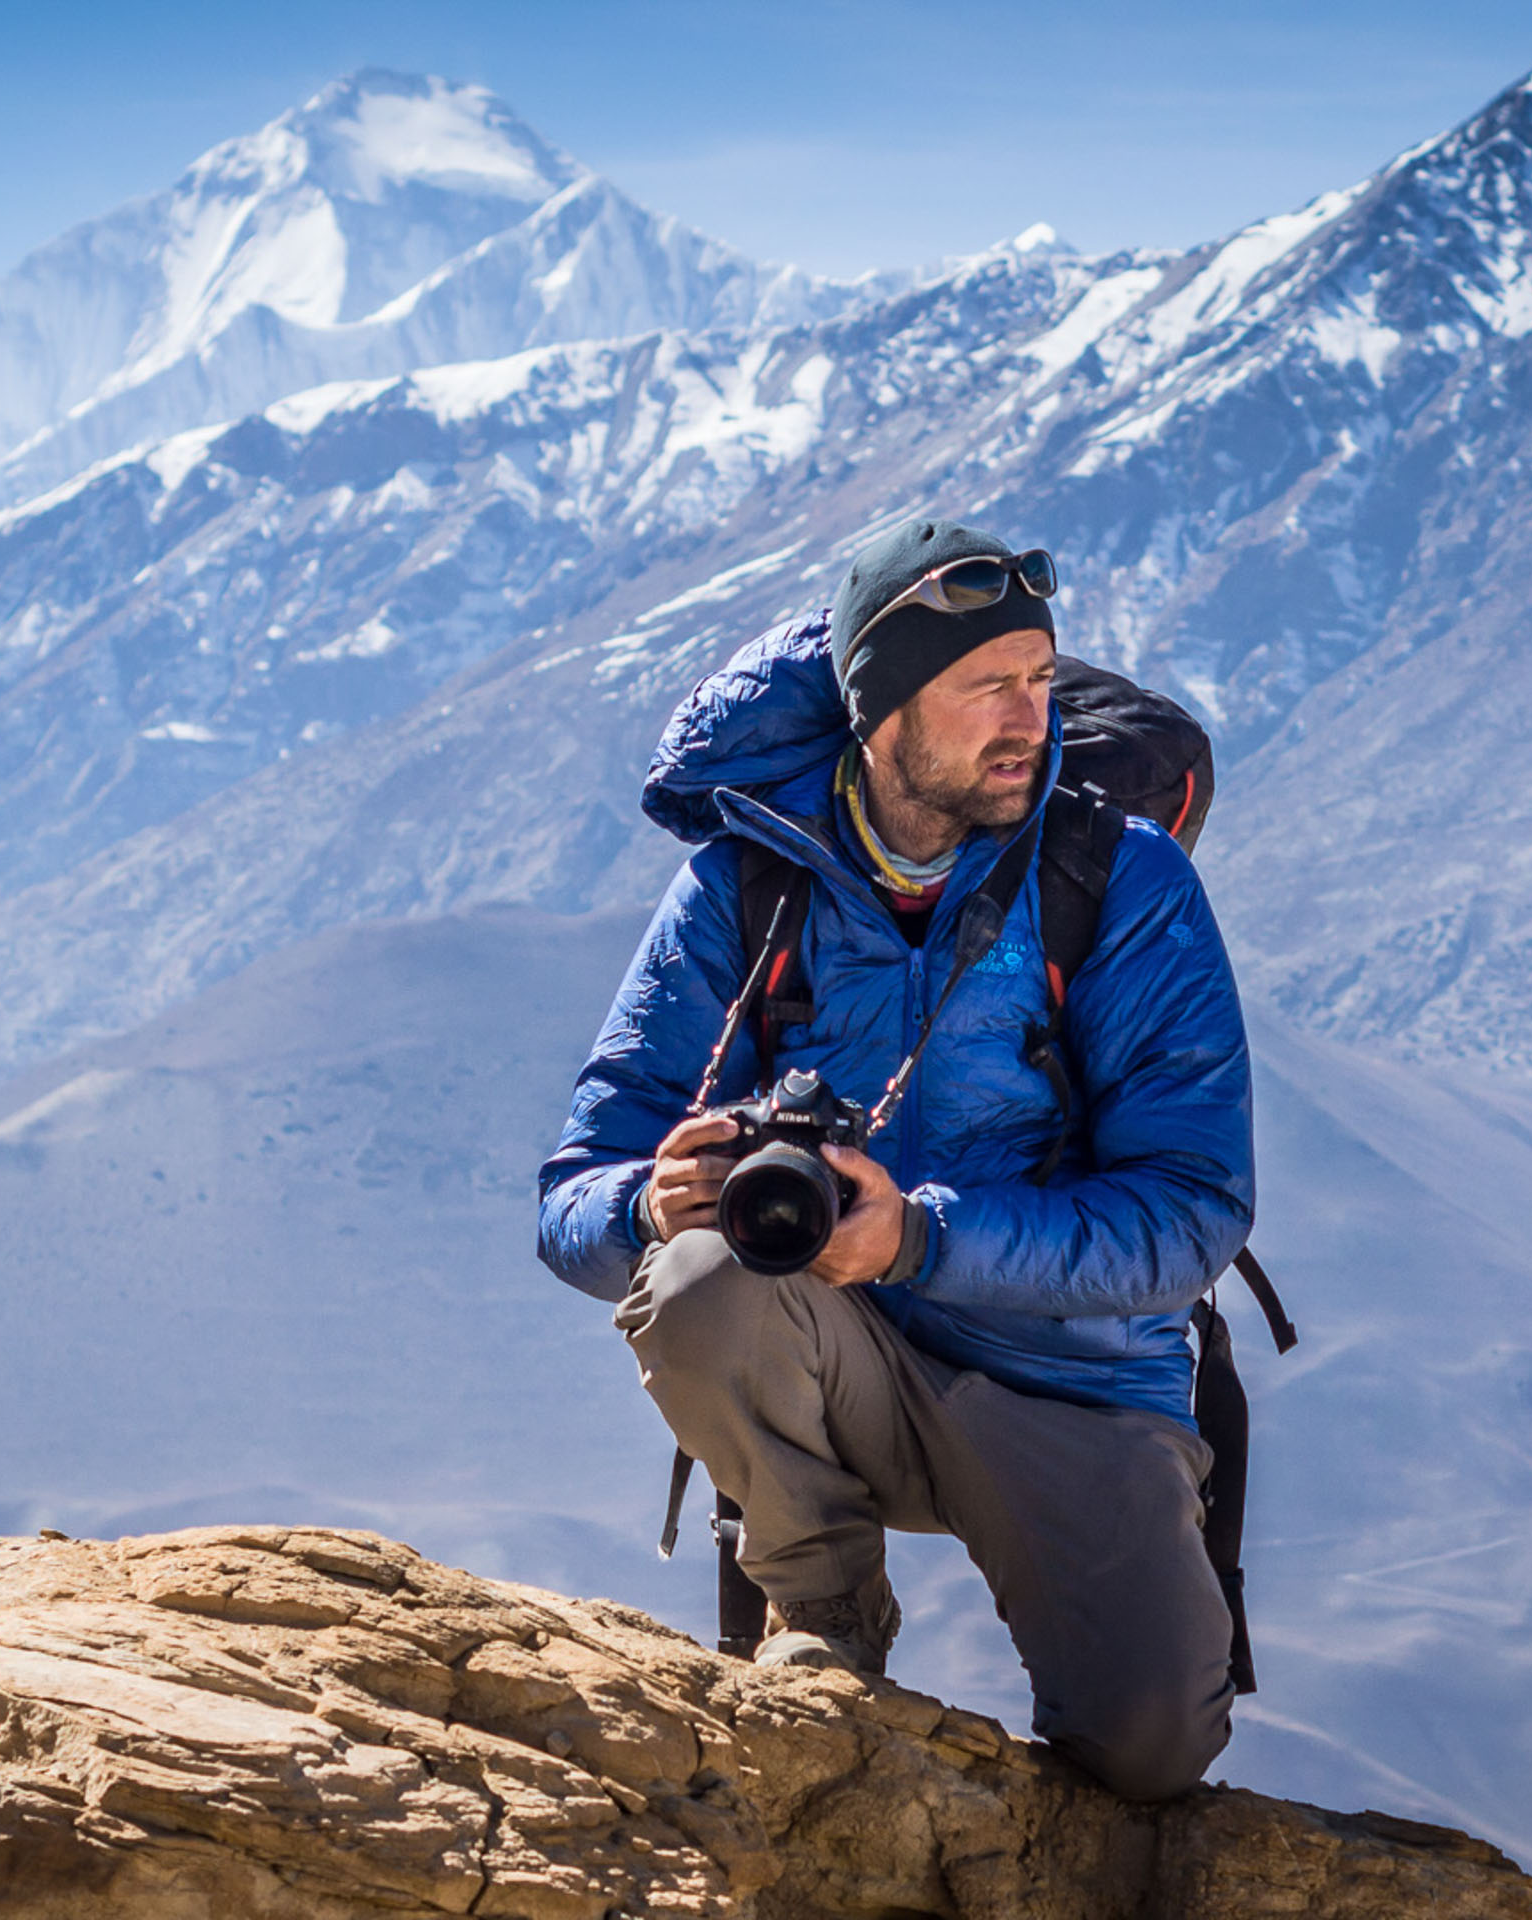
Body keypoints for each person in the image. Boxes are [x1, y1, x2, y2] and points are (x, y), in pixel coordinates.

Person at [537, 518, 1254, 1801]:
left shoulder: (1117, 883)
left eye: (1039, 679)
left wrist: (919, 1235)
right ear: (881, 714)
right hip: (833, 1356)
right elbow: (572, 1190)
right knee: (701, 1283)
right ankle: (823, 1612)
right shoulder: (747, 887)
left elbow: (1191, 1213)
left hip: (1070, 1387)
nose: (1027, 717)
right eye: (987, 687)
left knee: (1148, 1757)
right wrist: (647, 1203)